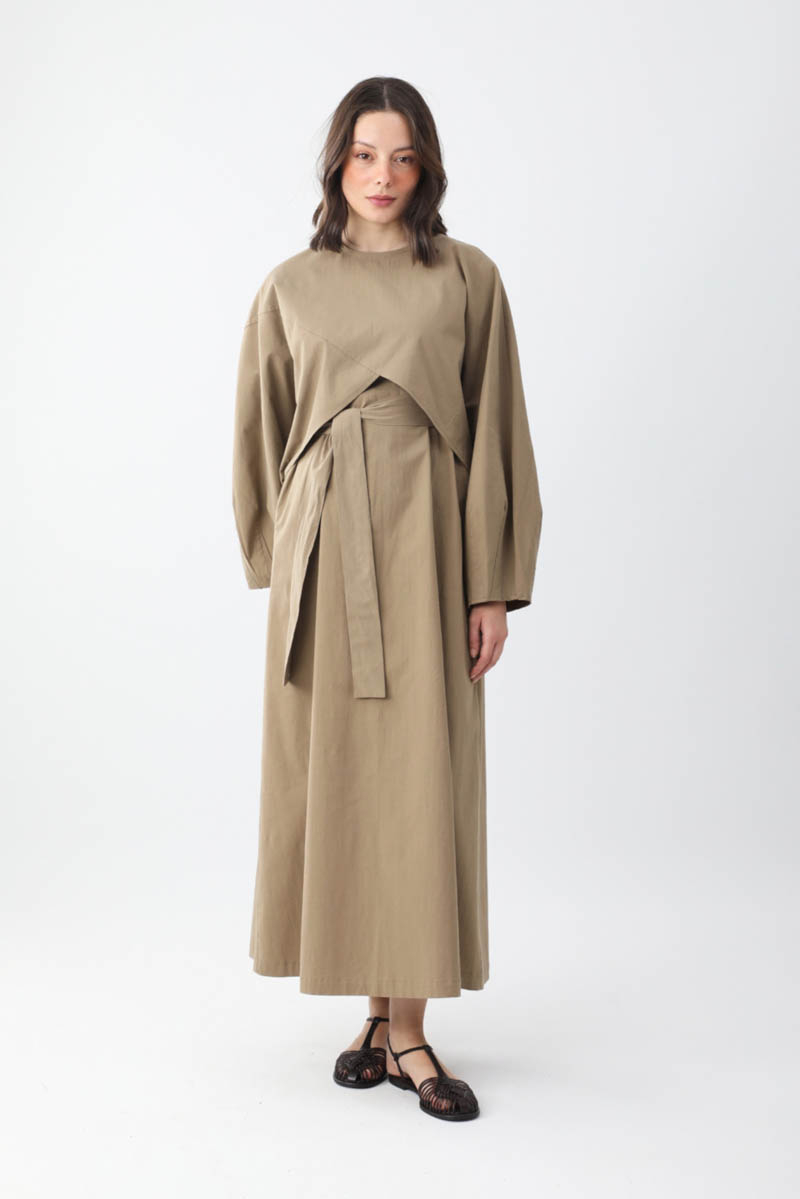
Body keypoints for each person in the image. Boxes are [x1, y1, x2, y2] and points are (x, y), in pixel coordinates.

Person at [232, 76, 543, 1123]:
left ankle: (407, 1027)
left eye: (402, 156)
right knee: (342, 779)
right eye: (364, 155)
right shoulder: (290, 285)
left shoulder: (466, 276)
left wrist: (490, 582)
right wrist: (276, 562)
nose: (382, 175)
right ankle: (373, 1014)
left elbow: (497, 429)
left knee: (418, 779)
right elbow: (261, 428)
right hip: (325, 559)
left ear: (427, 167)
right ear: (337, 164)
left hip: (428, 548)